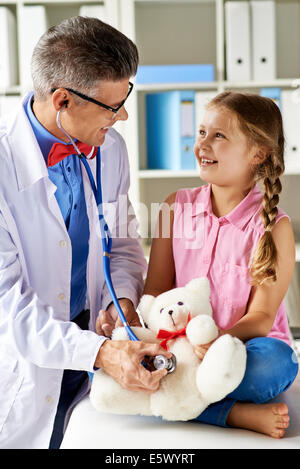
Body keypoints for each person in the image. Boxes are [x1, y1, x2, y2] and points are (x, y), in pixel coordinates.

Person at [0, 16, 170, 449]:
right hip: (26, 365)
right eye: (112, 106)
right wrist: (99, 353)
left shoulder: (109, 147)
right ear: (62, 100)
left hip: (95, 353)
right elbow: (6, 306)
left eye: (125, 97)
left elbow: (124, 244)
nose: (124, 115)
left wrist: (124, 299)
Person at [143, 91, 299, 439]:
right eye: (201, 133)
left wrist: (216, 344)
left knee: (275, 364)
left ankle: (180, 400)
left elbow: (261, 317)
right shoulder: (174, 207)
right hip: (179, 347)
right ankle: (231, 413)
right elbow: (154, 291)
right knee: (101, 366)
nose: (203, 145)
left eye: (219, 136)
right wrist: (172, 342)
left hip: (240, 349)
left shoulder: (275, 227)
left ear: (258, 153)